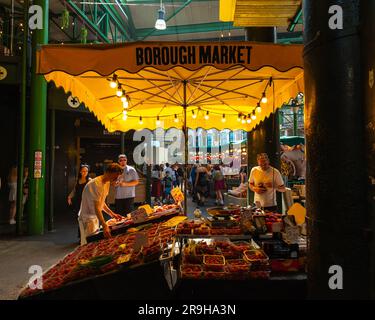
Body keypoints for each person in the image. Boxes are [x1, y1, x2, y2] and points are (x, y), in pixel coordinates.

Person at [78, 163, 124, 243]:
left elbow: (101, 202)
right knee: (88, 244)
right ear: (108, 172)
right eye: (115, 175)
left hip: (94, 217)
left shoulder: (107, 182)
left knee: (95, 243)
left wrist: (112, 214)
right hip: (87, 218)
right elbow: (97, 207)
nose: (116, 178)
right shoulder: (96, 184)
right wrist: (104, 224)